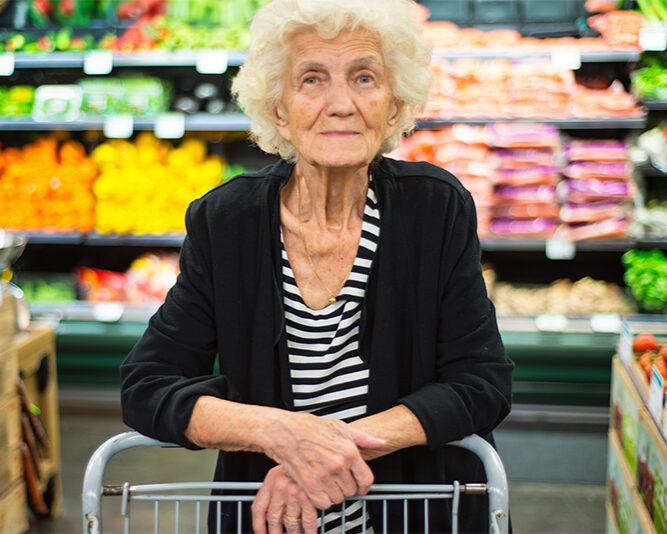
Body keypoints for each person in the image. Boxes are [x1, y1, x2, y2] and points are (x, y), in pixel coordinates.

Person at [120, 0, 514, 532]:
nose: (341, 104)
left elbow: (481, 382)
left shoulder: (435, 209)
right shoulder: (226, 222)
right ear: (279, 109)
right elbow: (147, 385)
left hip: (418, 513)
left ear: (394, 107)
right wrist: (278, 433)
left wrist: (327, 453)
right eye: (311, 79)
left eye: (364, 78)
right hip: (272, 520)